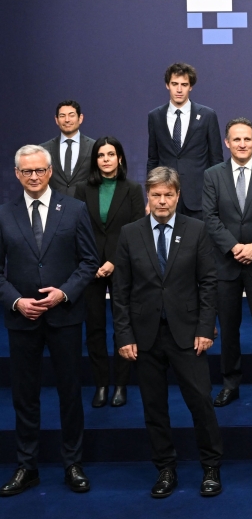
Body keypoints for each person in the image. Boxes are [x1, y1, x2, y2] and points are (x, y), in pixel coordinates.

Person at [112, 167, 223, 498]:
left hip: (188, 334)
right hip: (144, 336)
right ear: (148, 195)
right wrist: (124, 335)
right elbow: (120, 290)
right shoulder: (130, 233)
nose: (162, 201)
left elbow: (208, 282)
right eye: (156, 194)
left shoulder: (197, 229)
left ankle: (211, 467)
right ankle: (165, 469)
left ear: (177, 196)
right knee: (154, 406)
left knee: (201, 402)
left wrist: (206, 328)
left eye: (168, 195)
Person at [0, 145, 98, 497]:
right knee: (24, 397)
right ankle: (28, 467)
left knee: (70, 392)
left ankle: (73, 463)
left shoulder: (74, 209)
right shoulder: (4, 214)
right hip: (21, 318)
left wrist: (64, 293)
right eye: (27, 172)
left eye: (40, 170)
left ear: (50, 170)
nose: (34, 177)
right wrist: (15, 301)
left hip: (65, 316)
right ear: (16, 174)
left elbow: (89, 261)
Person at [202, 118, 252, 408]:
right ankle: (230, 383)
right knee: (228, 326)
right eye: (236, 139)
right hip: (225, 262)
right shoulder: (212, 175)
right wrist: (234, 247)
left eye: (247, 139)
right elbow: (209, 217)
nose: (242, 144)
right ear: (227, 143)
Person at [73, 137, 145, 409]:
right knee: (94, 328)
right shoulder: (82, 189)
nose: (105, 159)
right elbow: (78, 229)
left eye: (111, 154)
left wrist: (114, 260)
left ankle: (120, 385)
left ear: (120, 158)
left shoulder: (133, 189)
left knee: (122, 327)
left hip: (123, 266)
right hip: (90, 268)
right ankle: (101, 384)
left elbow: (138, 229)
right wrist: (92, 262)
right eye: (101, 155)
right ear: (95, 160)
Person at [146, 63, 224, 219]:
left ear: (191, 87)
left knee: (199, 243)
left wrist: (216, 199)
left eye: (184, 84)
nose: (179, 89)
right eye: (175, 84)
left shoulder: (207, 115)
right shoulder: (155, 116)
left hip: (199, 199)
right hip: (165, 197)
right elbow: (153, 159)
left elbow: (216, 161)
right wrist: (150, 198)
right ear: (167, 85)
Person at [41, 100, 95, 197]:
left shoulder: (94, 146)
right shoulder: (43, 149)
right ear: (56, 120)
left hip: (85, 206)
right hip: (53, 206)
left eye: (71, 115)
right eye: (62, 116)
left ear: (80, 118)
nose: (67, 120)